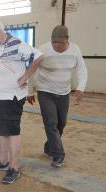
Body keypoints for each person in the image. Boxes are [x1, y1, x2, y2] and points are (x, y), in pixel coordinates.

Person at [0, 18, 43, 184]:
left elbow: (38, 56)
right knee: (2, 130)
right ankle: (2, 161)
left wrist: (25, 77)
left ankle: (14, 167)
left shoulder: (16, 44)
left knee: (12, 131)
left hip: (10, 97)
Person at [27, 25, 88, 168]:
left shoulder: (75, 50)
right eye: (54, 42)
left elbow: (82, 70)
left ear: (67, 40)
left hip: (64, 93)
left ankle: (49, 147)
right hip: (45, 91)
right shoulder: (43, 50)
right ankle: (58, 155)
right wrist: (30, 91)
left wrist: (80, 88)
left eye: (59, 43)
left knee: (61, 124)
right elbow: (31, 69)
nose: (56, 45)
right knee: (51, 123)